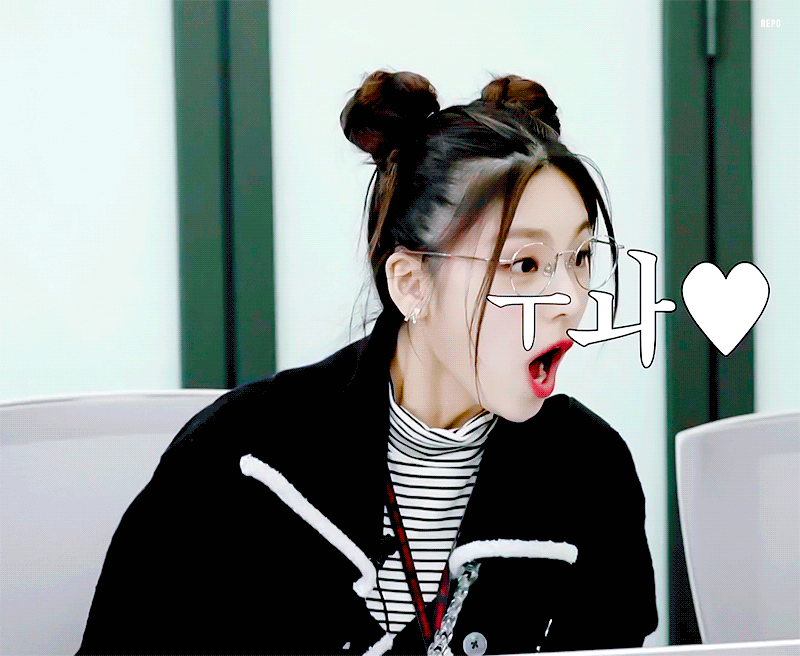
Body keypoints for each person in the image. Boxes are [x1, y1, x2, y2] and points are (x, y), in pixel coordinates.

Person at [77, 71, 658, 655]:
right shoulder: (241, 456)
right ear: (411, 283)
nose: (571, 299)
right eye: (525, 265)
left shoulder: (591, 471)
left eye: (580, 257)